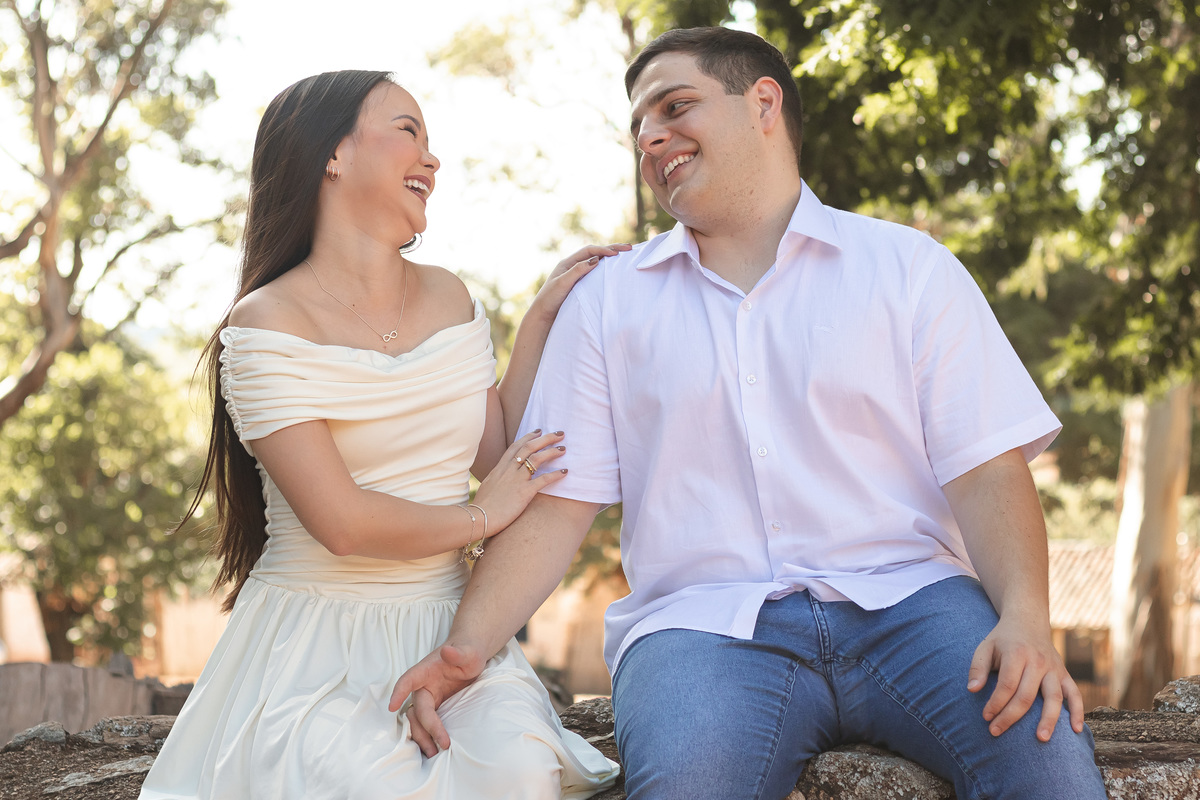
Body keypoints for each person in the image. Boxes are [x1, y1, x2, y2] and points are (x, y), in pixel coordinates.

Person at [390, 27, 1109, 800]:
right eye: (639, 127)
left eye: (675, 106)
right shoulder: (607, 302)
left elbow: (986, 470)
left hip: (914, 607)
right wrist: (464, 652)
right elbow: (559, 506)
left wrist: (1028, 618)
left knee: (1045, 751)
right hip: (700, 633)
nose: (651, 137)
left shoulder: (908, 268)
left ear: (763, 103)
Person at [138, 70, 624, 800]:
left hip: (450, 625)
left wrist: (539, 326)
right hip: (314, 646)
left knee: (520, 764)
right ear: (332, 153)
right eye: (408, 131)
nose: (431, 159)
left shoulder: (450, 293)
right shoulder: (266, 322)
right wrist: (480, 517)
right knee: (366, 779)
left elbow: (496, 454)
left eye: (430, 141)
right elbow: (341, 523)